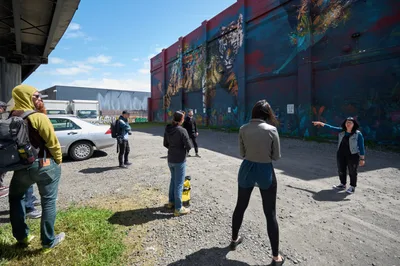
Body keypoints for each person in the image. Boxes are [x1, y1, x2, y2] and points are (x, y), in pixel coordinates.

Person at [8, 84, 64, 252]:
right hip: (44, 165)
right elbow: (52, 143)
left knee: (16, 199)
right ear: (27, 97)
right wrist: (58, 161)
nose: (40, 99)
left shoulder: (9, 117)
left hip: (20, 167)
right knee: (48, 201)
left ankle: (22, 237)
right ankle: (48, 241)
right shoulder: (38, 117)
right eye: (36, 96)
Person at [230, 100, 285, 266]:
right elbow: (276, 156)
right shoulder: (272, 130)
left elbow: (242, 153)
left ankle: (234, 239)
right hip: (265, 170)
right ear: (267, 114)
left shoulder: (243, 129)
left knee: (240, 205)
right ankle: (276, 257)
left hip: (247, 168)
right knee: (270, 213)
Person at [0, 101, 41, 219]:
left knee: (22, 183)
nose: (3, 109)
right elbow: (22, 140)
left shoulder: (9, 118)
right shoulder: (18, 118)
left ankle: (30, 201)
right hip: (18, 158)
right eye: (2, 107)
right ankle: (29, 207)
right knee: (26, 182)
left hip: (6, 158)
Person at [312, 117, 365, 194]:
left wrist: (362, 159)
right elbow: (331, 127)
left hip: (353, 155)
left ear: (354, 124)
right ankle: (342, 184)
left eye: (350, 122)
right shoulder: (341, 131)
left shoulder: (358, 134)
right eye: (347, 122)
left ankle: (352, 187)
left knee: (352, 171)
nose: (348, 124)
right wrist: (320, 123)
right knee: (341, 170)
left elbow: (361, 146)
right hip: (341, 154)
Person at [163, 111, 192, 217]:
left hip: (170, 158)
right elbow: (189, 145)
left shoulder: (168, 129)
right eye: (183, 118)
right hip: (179, 160)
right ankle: (178, 208)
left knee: (173, 180)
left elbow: (165, 143)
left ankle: (171, 202)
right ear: (181, 119)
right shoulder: (182, 130)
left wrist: (173, 149)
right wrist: (183, 152)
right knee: (179, 183)